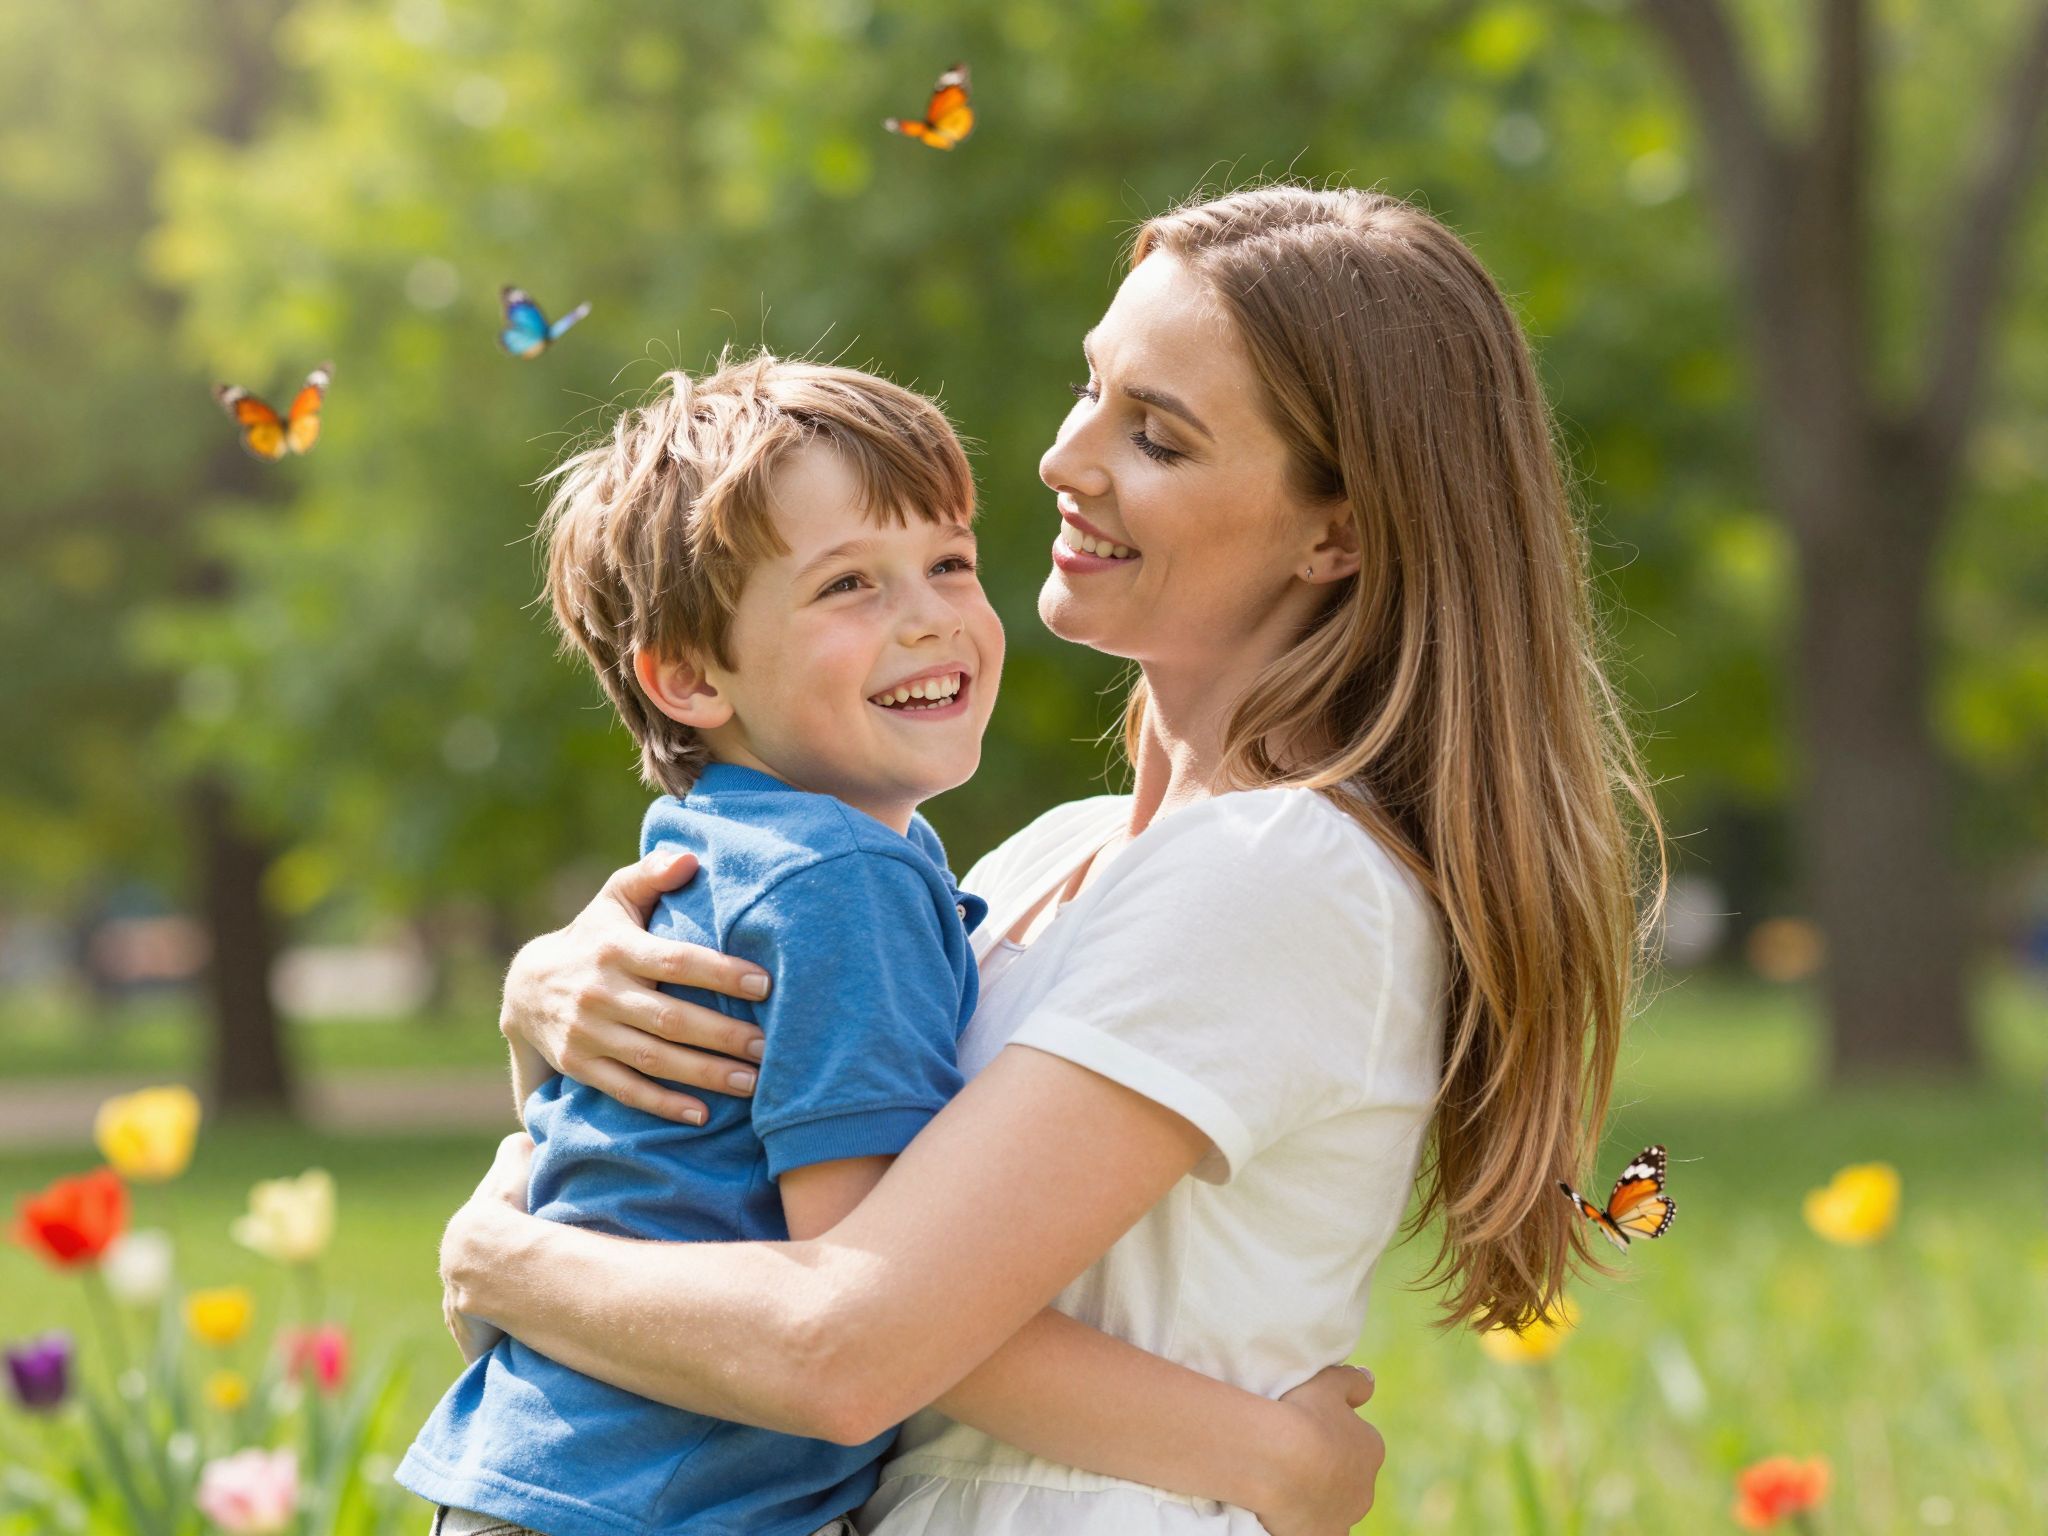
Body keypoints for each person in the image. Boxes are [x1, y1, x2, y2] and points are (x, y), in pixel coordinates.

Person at [441, 185, 1664, 1535]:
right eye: (1094, 390)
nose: (1065, 458)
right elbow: (745, 1188)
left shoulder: (1282, 873)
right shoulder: (1041, 859)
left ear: (1340, 534)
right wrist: (552, 997)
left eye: (1156, 435)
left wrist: (501, 1258)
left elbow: (849, 1339)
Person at [400, 353, 1387, 1536]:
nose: (926, 616)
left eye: (949, 564)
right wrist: (1275, 1457)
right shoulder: (845, 879)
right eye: (848, 586)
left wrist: (503, 1254)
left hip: (559, 1483)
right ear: (685, 678)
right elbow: (857, 1296)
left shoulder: (733, 849)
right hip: (667, 1508)